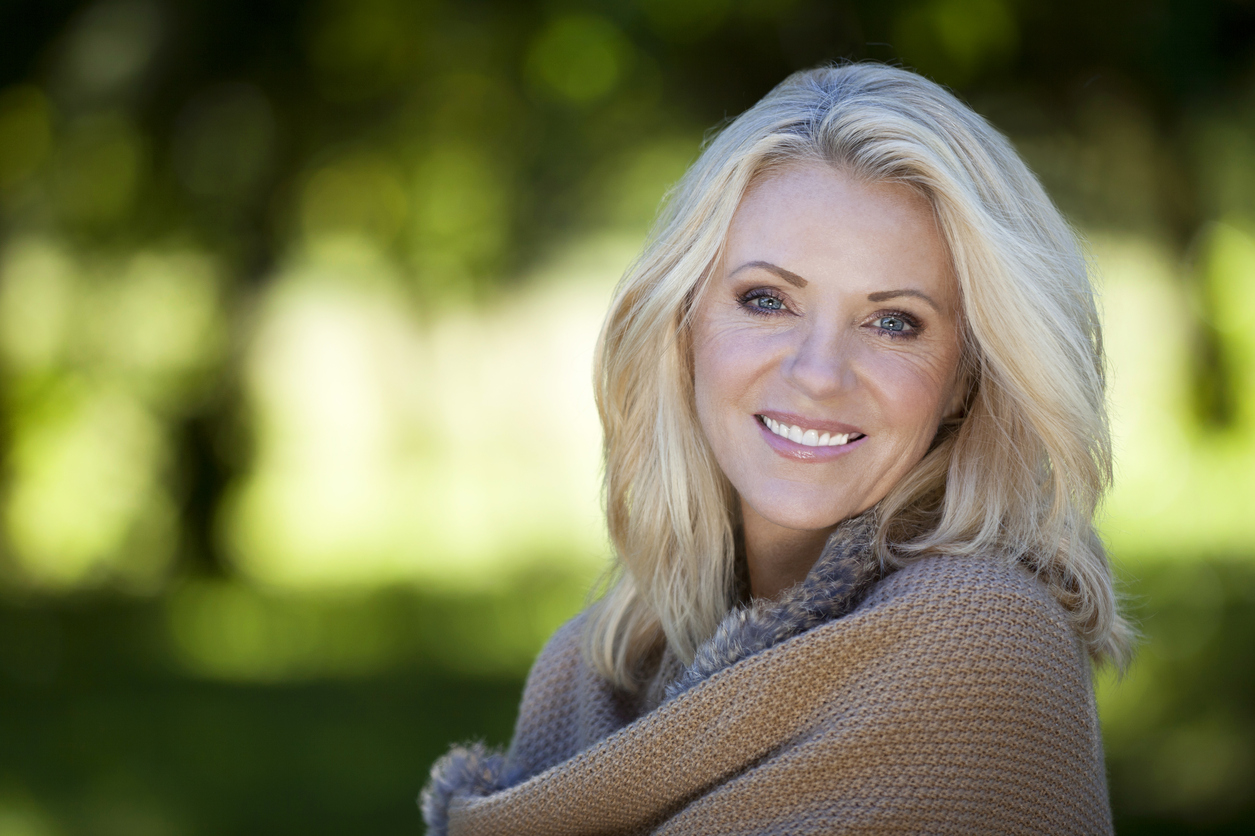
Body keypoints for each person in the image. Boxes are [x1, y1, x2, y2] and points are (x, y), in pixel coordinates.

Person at [421, 62, 1132, 835]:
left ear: (967, 376)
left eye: (893, 321)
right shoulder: (593, 675)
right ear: (684, 324)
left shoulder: (978, 645)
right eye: (766, 300)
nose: (818, 374)